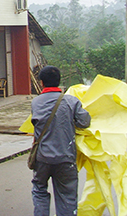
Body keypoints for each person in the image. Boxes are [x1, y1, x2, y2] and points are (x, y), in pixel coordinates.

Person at [31, 65, 91, 216]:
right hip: (66, 158)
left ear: (42, 83)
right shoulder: (72, 101)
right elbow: (85, 122)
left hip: (42, 158)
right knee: (67, 195)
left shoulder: (36, 103)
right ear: (59, 82)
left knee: (39, 189)